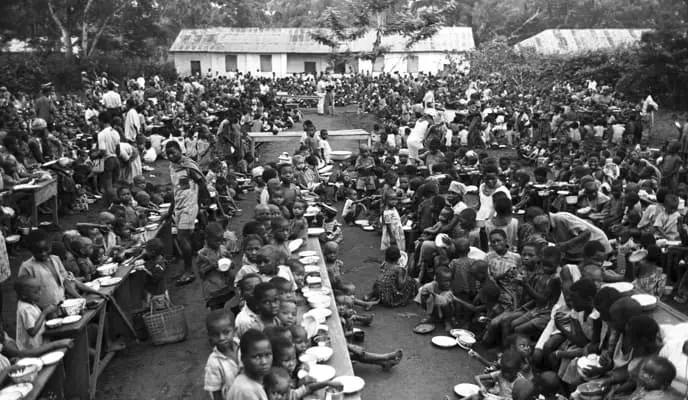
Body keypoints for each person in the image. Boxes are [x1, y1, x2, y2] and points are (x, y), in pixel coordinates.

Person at [166, 140, 207, 286]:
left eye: (173, 152)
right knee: (183, 238)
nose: (171, 155)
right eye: (168, 153)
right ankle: (187, 268)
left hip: (190, 206)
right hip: (179, 206)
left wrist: (200, 204)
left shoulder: (189, 166)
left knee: (183, 238)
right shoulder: (172, 167)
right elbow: (175, 190)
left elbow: (202, 184)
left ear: (180, 151)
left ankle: (189, 272)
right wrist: (170, 210)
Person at [14, 276, 58, 351]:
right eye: (36, 292)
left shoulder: (30, 303)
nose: (40, 293)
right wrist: (44, 313)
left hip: (38, 344)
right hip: (31, 349)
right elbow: (32, 331)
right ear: (24, 295)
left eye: (39, 290)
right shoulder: (25, 309)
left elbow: (37, 317)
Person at [204, 309, 240, 400]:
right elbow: (216, 391)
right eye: (215, 335)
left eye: (226, 332)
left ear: (235, 331)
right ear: (210, 337)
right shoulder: (214, 362)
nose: (221, 338)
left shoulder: (244, 346)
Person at [226, 329, 271, 400]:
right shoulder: (246, 391)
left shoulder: (260, 378)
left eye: (268, 355)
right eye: (257, 357)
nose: (264, 362)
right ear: (243, 358)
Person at [198, 223, 234, 310]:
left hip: (225, 285)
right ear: (207, 238)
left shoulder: (223, 249)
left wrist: (230, 263)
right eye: (216, 241)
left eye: (221, 240)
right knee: (215, 309)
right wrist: (211, 266)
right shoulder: (202, 254)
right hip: (212, 289)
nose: (219, 243)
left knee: (224, 306)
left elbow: (232, 265)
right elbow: (201, 273)